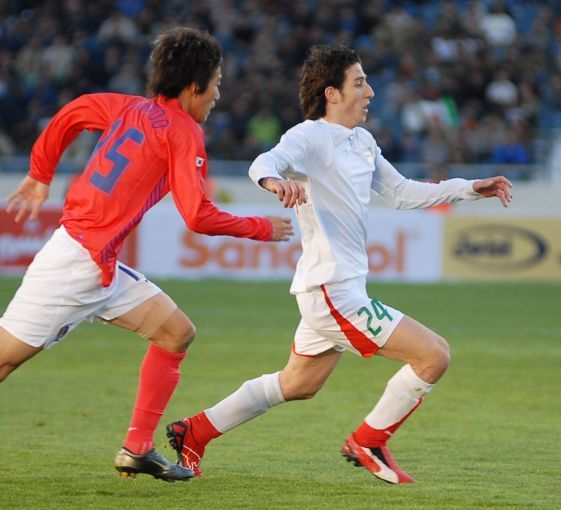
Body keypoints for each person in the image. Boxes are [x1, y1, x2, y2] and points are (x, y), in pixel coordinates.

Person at [166, 44, 512, 484]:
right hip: (332, 291)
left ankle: (194, 431)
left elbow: (403, 193)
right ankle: (369, 441)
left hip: (337, 289)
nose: (369, 92)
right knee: (434, 355)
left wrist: (469, 188)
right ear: (332, 93)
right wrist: (275, 182)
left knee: (299, 385)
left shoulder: (363, 142)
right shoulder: (309, 136)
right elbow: (264, 162)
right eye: (359, 83)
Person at [0, 27, 294, 482]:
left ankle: (137, 448)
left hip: (97, 263)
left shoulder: (130, 107)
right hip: (75, 265)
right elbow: (197, 215)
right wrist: (261, 227)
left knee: (176, 333)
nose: (218, 94)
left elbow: (74, 111)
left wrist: (41, 172)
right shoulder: (184, 131)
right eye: (216, 83)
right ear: (194, 86)